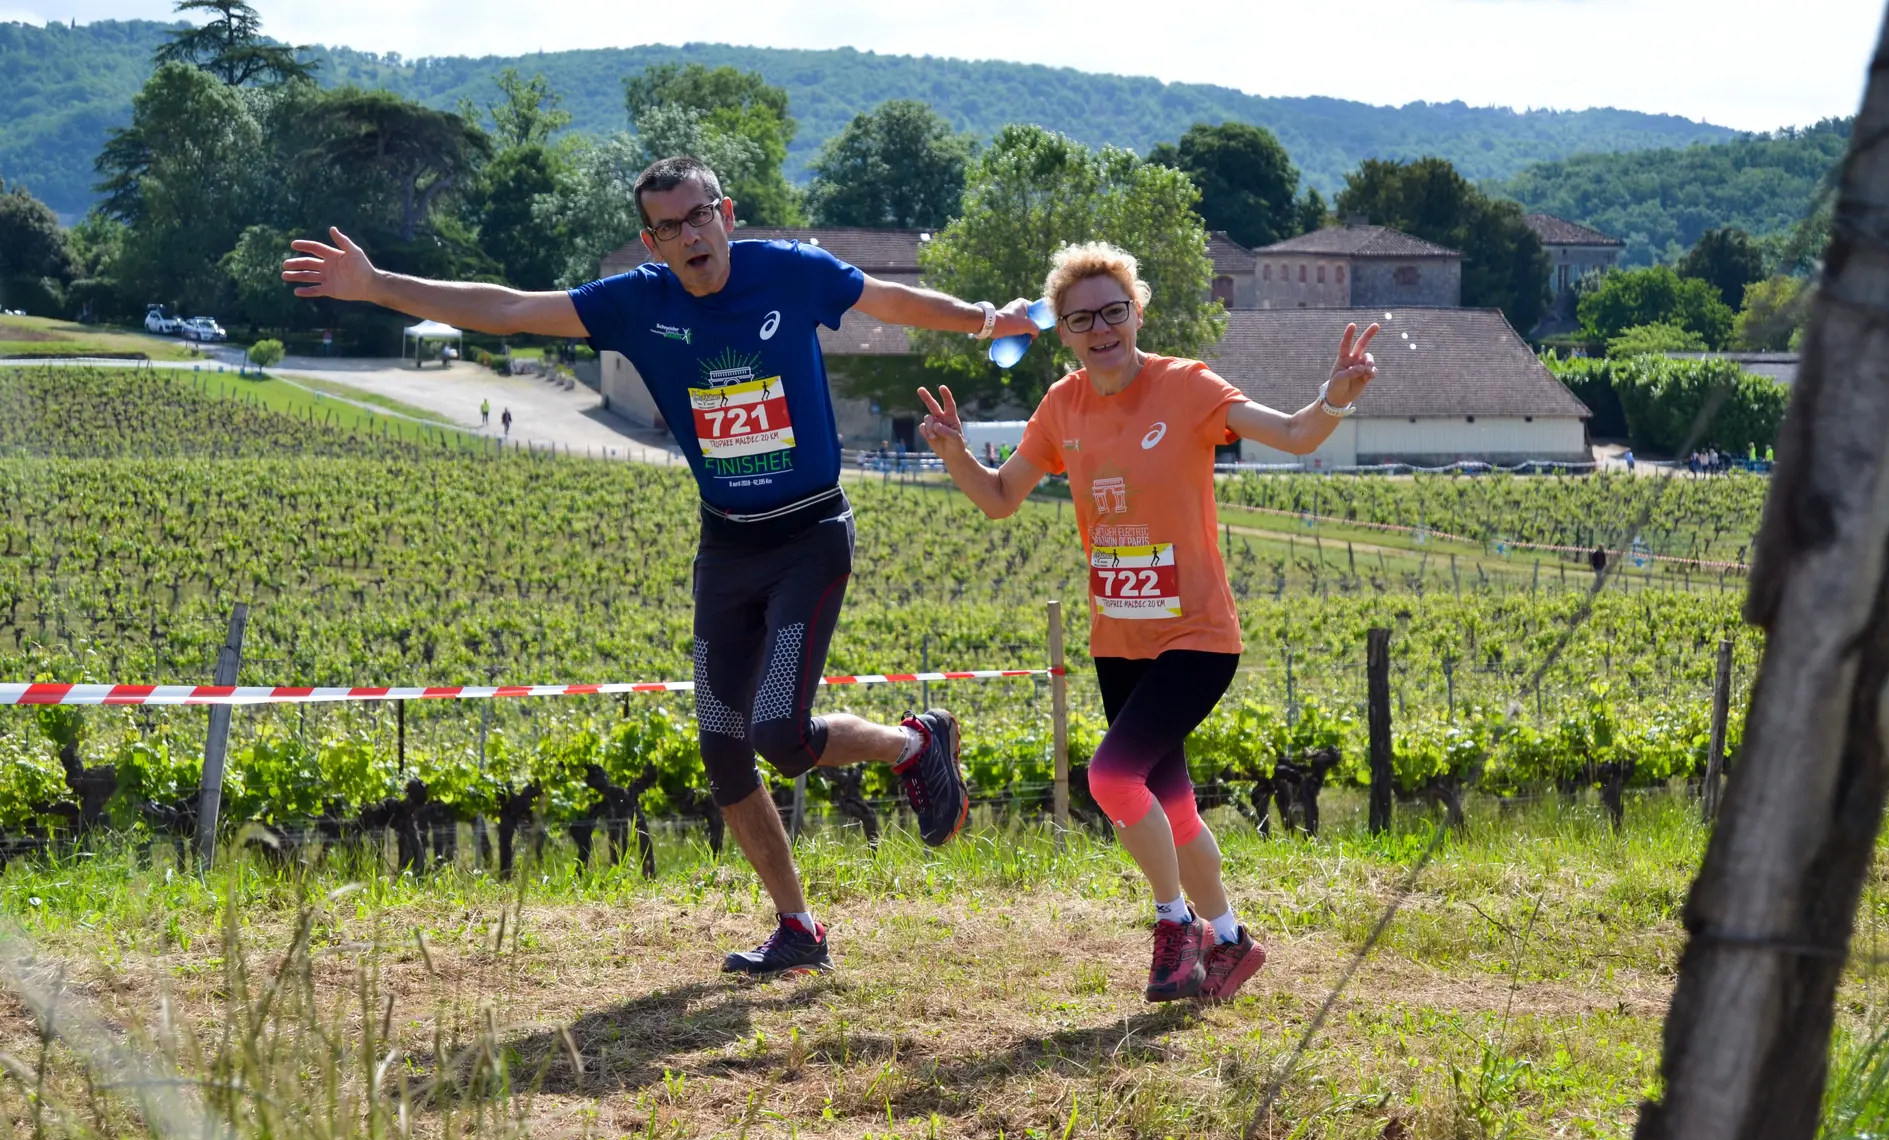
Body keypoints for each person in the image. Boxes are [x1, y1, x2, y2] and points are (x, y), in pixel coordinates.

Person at [284, 155, 1040, 978]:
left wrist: (985, 320)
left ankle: (911, 744)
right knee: (723, 749)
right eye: (668, 227)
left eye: (700, 215)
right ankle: (798, 928)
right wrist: (377, 286)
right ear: (652, 241)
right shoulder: (637, 302)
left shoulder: (791, 272)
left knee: (780, 736)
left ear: (727, 213)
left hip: (810, 536)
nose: (689, 235)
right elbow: (507, 307)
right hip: (728, 547)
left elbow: (890, 300)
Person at [914, 242, 1378, 1002]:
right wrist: (955, 453)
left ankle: (1175, 923)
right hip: (1119, 639)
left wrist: (1334, 398)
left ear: (1137, 313)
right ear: (1063, 330)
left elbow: (1294, 434)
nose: (1100, 329)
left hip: (1197, 636)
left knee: (1110, 777)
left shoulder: (1188, 387)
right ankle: (1230, 939)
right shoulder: (1062, 406)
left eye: (1113, 312)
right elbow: (999, 498)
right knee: (1173, 803)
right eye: (1081, 319)